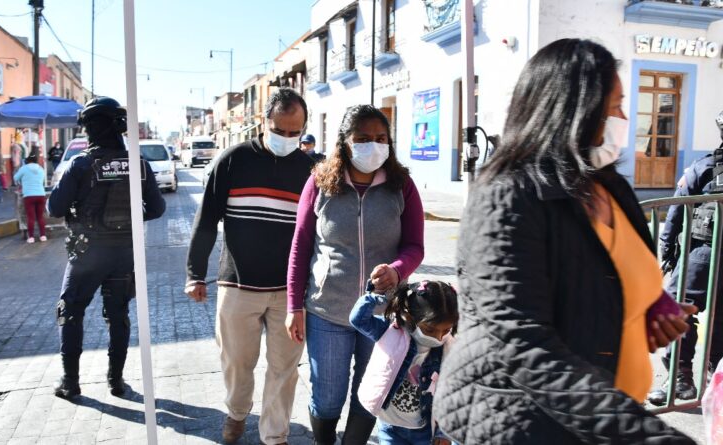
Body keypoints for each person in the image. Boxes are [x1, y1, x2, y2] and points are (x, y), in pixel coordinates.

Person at [431, 39, 697, 444]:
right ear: (572, 112)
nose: (624, 119)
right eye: (613, 107)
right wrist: (647, 436)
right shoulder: (507, 197)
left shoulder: (609, 187)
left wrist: (649, 307)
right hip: (525, 426)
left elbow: (609, 269)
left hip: (604, 418)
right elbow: (524, 344)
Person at [286, 104, 425, 445]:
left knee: (370, 394)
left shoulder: (402, 186)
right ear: (345, 142)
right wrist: (294, 306)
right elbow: (301, 246)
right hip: (327, 312)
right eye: (362, 139)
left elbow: (415, 246)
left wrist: (396, 270)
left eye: (380, 138)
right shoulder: (320, 183)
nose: (372, 145)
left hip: (383, 315)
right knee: (327, 398)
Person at [185, 87, 313, 445]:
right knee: (236, 361)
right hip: (237, 286)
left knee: (284, 369)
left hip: (290, 294)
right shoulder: (233, 160)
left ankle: (275, 435)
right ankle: (237, 412)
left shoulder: (311, 170)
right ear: (263, 122)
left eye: (294, 132)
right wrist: (195, 274)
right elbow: (206, 219)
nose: (286, 138)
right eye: (279, 130)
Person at [47, 96, 165, 399]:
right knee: (118, 315)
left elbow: (55, 208)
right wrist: (129, 216)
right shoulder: (138, 165)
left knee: (70, 312)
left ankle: (70, 382)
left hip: (88, 254)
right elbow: (157, 209)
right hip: (125, 254)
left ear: (89, 128)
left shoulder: (80, 164)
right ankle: (116, 381)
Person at [648, 110, 723, 406]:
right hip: (703, 253)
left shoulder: (704, 167)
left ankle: (682, 379)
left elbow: (677, 210)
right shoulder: (705, 166)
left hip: (702, 255)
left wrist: (666, 250)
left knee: (677, 309)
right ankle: (707, 381)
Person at [350, 280, 457, 445]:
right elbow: (358, 320)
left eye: (446, 330)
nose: (438, 337)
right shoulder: (390, 330)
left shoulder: (449, 348)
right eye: (430, 329)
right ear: (409, 317)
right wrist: (375, 295)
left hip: (425, 431)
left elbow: (453, 393)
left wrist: (444, 432)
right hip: (390, 428)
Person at [14, 156, 47, 243]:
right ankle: (43, 236)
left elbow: (15, 178)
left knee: (31, 217)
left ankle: (31, 237)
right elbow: (43, 181)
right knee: (40, 217)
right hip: (41, 195)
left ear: (27, 161)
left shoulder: (24, 168)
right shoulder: (41, 169)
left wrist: (22, 181)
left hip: (29, 196)